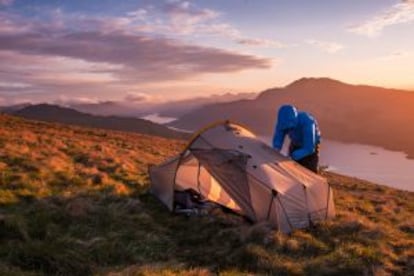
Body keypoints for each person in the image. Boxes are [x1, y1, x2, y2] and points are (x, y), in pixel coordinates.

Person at [272, 104, 321, 173]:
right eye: (287, 128)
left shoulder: (307, 122)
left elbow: (309, 148)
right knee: (291, 170)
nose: (288, 130)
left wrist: (293, 156)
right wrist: (276, 149)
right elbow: (279, 136)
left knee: (309, 172)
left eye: (290, 128)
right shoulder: (283, 122)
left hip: (311, 148)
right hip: (295, 143)